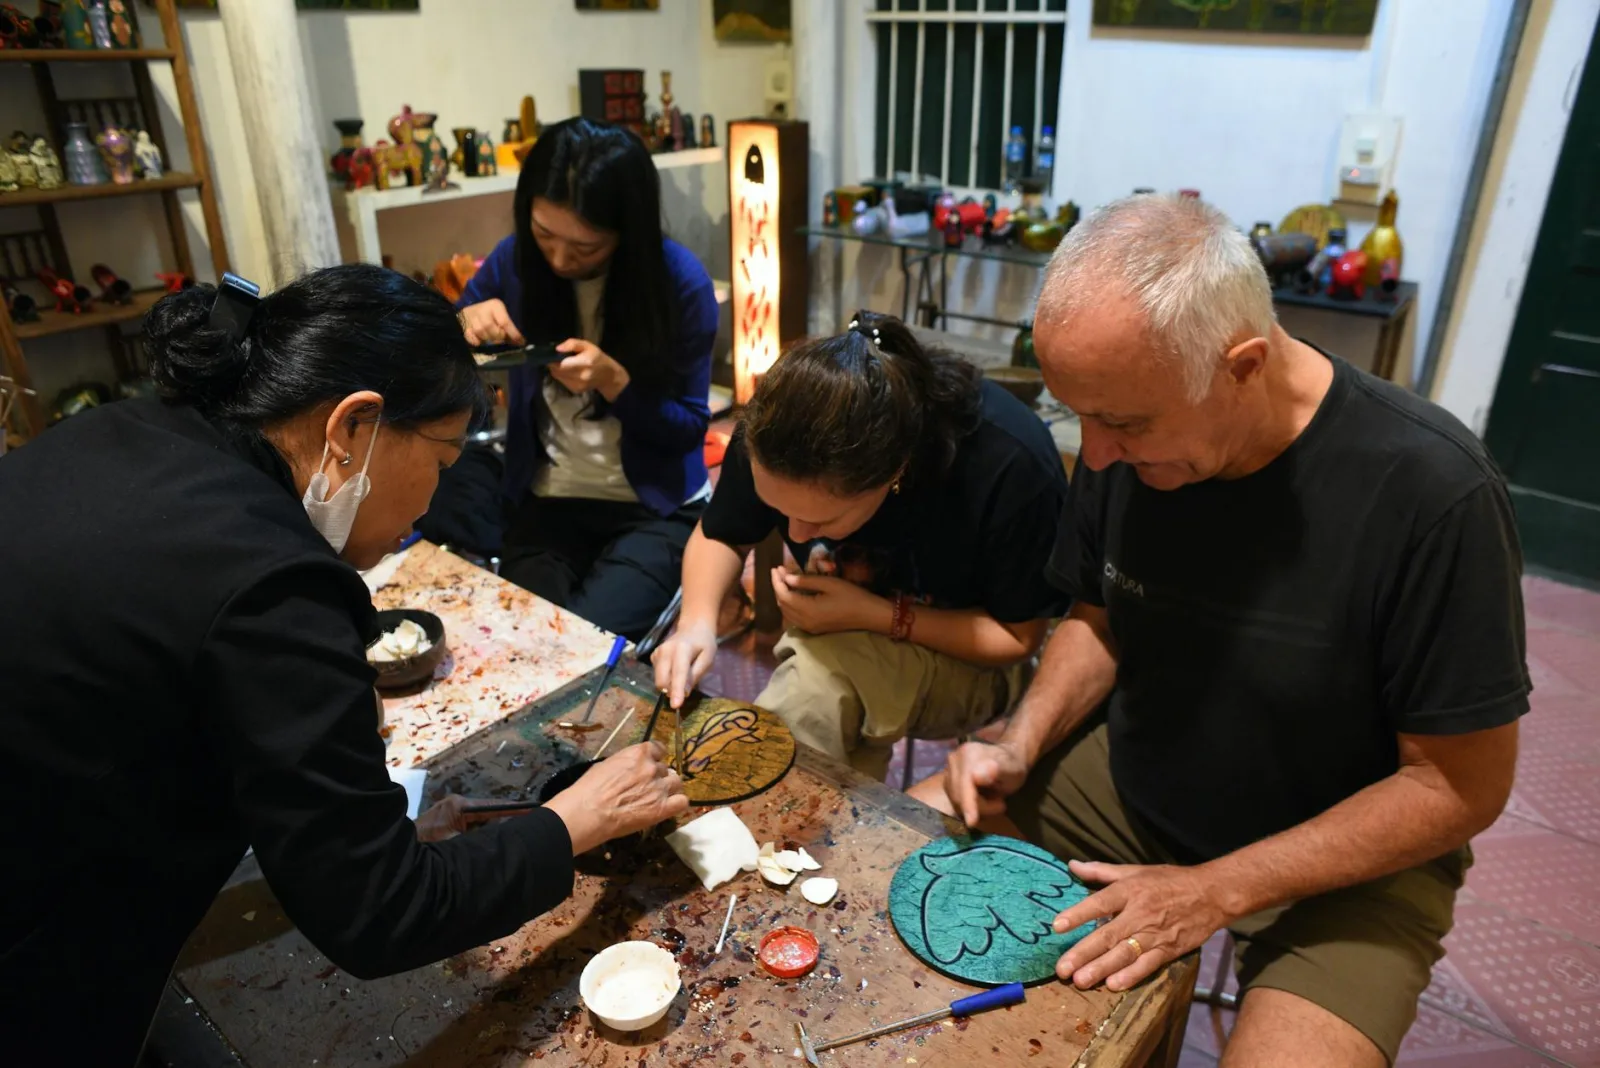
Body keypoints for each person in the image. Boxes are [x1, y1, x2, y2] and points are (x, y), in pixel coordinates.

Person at [0, 266, 689, 1066]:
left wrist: (358, 824)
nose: (430, 503)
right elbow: (380, 913)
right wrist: (574, 822)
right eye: (441, 462)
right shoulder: (272, 585)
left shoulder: (123, 430)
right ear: (353, 426)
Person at [914, 195, 1527, 1068]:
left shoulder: (1436, 495)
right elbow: (1098, 620)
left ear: (1244, 365)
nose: (1095, 455)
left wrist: (1215, 890)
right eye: (1081, 417)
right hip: (1138, 783)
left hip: (1347, 853)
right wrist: (1021, 740)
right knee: (906, 861)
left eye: (1124, 424)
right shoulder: (1124, 435)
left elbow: (1458, 788)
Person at [654, 313, 1071, 780]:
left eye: (821, 520)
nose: (797, 534)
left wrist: (874, 615)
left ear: (894, 474)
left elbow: (1016, 640)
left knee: (817, 687)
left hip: (974, 659)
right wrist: (695, 624)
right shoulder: (775, 430)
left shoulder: (1011, 464)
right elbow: (723, 532)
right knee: (830, 718)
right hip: (844, 632)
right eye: (779, 510)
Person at [455, 118, 719, 640]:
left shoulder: (680, 285)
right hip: (547, 497)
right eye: (544, 234)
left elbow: (689, 429)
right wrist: (462, 323)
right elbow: (446, 341)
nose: (558, 259)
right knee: (525, 636)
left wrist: (616, 382)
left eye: (586, 247)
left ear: (627, 232)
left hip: (654, 507)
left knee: (588, 643)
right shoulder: (515, 261)